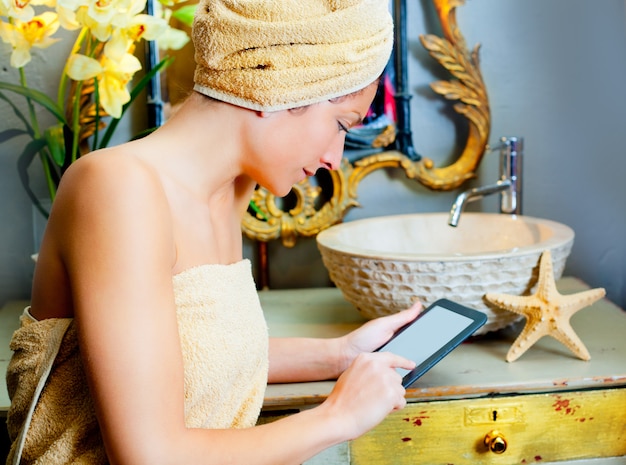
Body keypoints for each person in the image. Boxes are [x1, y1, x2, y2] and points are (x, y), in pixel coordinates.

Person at [5, 0, 423, 463]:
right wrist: (336, 418)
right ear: (282, 85)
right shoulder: (116, 189)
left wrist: (339, 354)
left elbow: (193, 356)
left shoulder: (232, 189)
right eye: (342, 123)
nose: (334, 158)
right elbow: (151, 456)